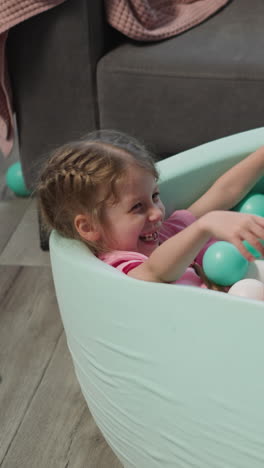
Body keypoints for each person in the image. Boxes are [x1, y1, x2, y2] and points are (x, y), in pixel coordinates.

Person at [37, 130, 264, 290]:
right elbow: (156, 270)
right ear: (89, 226)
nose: (156, 213)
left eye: (155, 196)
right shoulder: (118, 267)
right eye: (137, 207)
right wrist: (205, 226)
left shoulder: (165, 233)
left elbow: (225, 192)